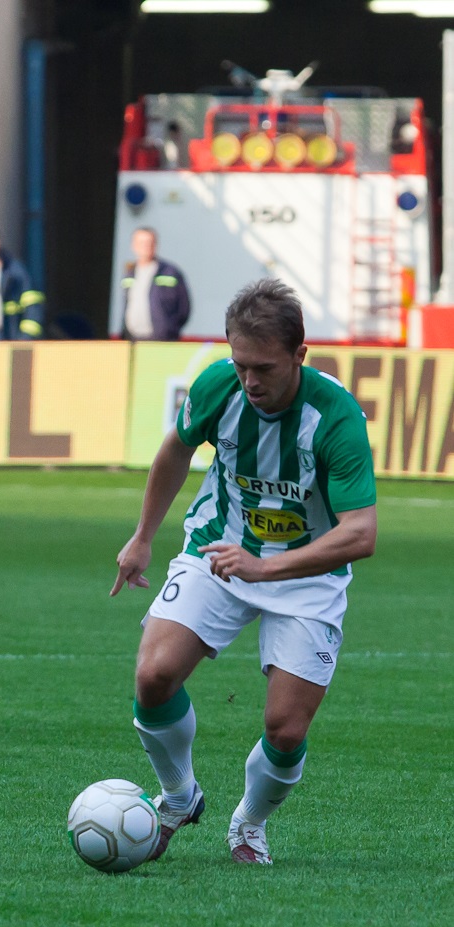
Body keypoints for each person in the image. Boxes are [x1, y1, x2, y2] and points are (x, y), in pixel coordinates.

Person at [111, 278, 377, 864]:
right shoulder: (218, 386)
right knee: (153, 675)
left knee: (285, 729)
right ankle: (179, 796)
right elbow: (175, 449)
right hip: (220, 549)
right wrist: (143, 536)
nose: (250, 381)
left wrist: (266, 568)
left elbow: (361, 533)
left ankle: (249, 823)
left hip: (308, 574)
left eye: (264, 368)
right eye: (240, 365)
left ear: (299, 355)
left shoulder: (335, 417)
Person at [120, 227, 191, 341]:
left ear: (155, 244)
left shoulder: (170, 272)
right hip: (132, 340)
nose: (145, 246)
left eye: (149, 242)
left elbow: (184, 308)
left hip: (161, 341)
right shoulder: (129, 273)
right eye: (141, 243)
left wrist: (169, 330)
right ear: (133, 245)